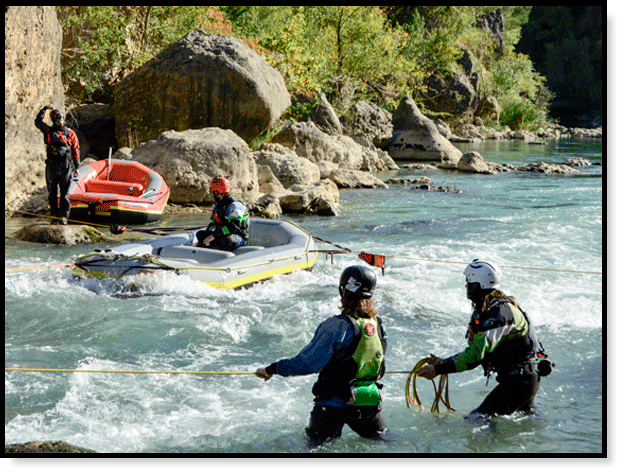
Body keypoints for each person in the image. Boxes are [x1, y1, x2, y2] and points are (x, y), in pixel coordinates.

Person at [255, 265, 389, 447]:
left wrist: (272, 369)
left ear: (344, 290)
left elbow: (306, 364)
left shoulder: (335, 326)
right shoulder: (378, 326)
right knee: (385, 442)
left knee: (316, 450)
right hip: (368, 402)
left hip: (333, 405)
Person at [417, 259, 551, 418]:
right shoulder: (488, 309)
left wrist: (437, 370)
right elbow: (475, 352)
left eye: (469, 282)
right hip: (521, 380)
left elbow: (475, 356)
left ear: (478, 286)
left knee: (476, 419)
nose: (466, 286)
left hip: (521, 381)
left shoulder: (499, 315)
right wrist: (443, 362)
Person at [34, 104, 80, 225]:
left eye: (61, 119)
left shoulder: (70, 133)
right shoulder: (48, 131)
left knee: (65, 193)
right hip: (51, 165)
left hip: (65, 166)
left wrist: (77, 166)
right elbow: (38, 122)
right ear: (53, 121)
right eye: (57, 120)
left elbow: (76, 149)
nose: (60, 121)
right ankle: (54, 216)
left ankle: (64, 217)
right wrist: (43, 110)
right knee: (52, 192)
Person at [196, 177, 249, 251]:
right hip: (222, 234)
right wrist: (208, 235)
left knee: (226, 240)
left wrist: (213, 236)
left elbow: (232, 227)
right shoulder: (218, 205)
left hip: (238, 237)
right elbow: (213, 223)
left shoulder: (235, 206)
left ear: (221, 192)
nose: (213, 195)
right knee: (200, 234)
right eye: (213, 192)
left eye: (215, 192)